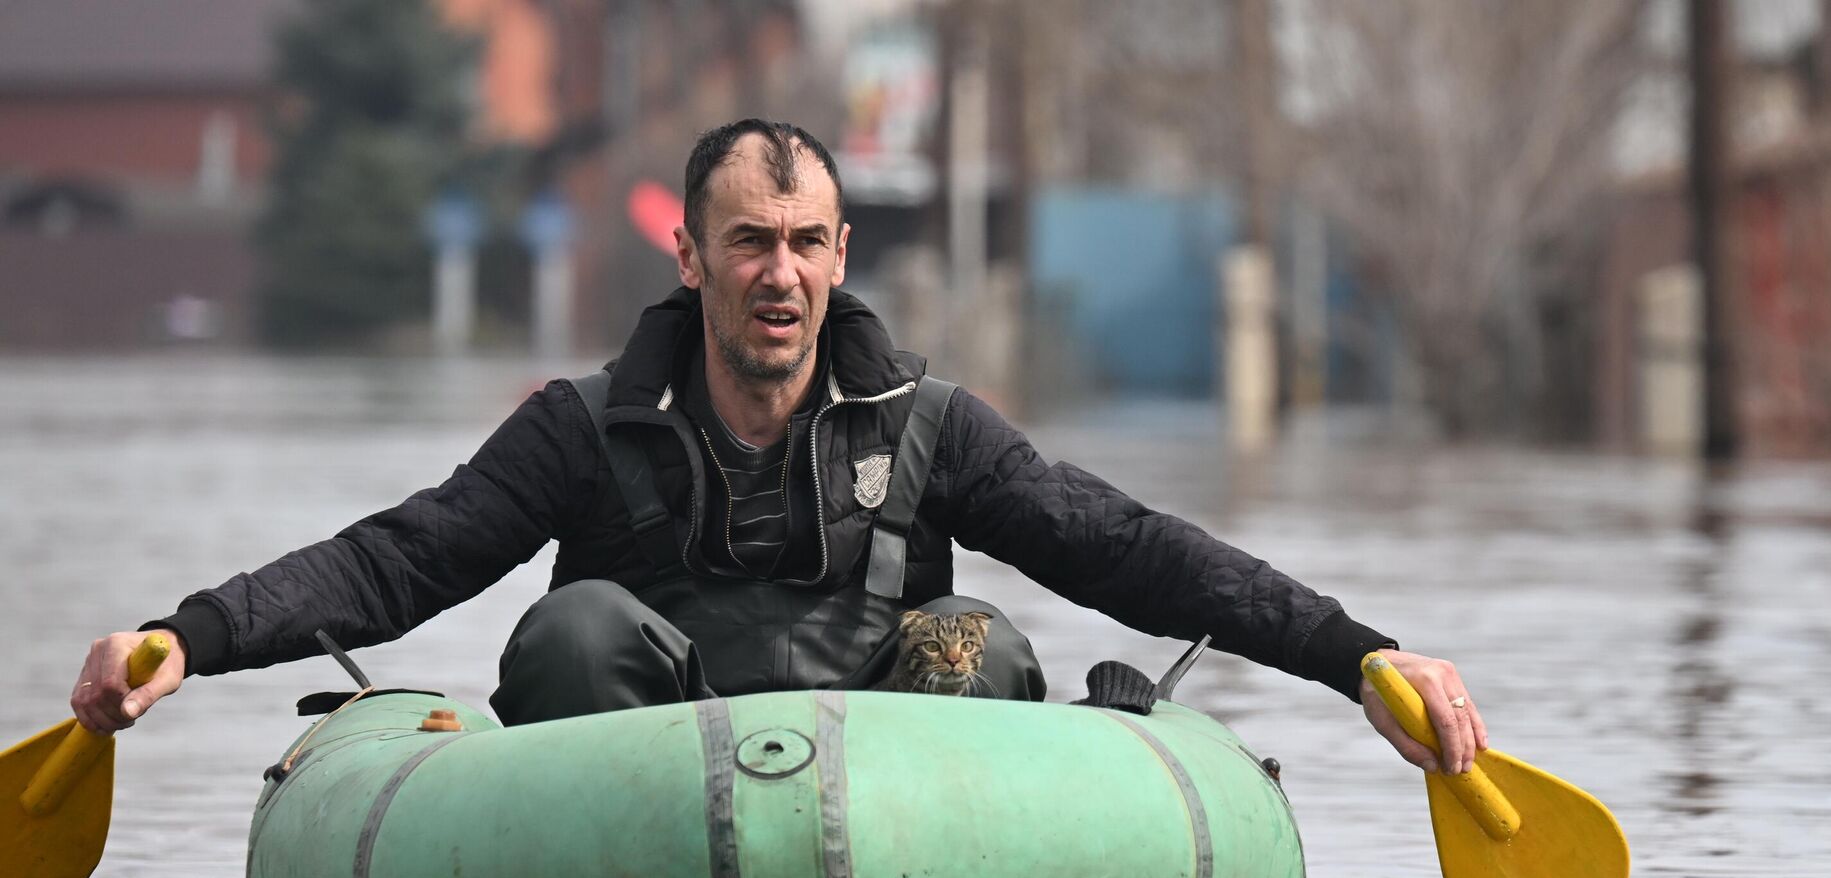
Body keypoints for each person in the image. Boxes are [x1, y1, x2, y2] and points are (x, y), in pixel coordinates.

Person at [70, 119, 1488, 774]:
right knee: (567, 633)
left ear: (841, 255)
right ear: (691, 255)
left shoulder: (930, 430)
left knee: (977, 641)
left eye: (808, 242)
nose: (782, 273)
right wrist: (189, 633)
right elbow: (399, 562)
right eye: (750, 240)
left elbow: (1129, 549)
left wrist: (1354, 654)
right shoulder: (577, 429)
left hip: (897, 796)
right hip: (624, 809)